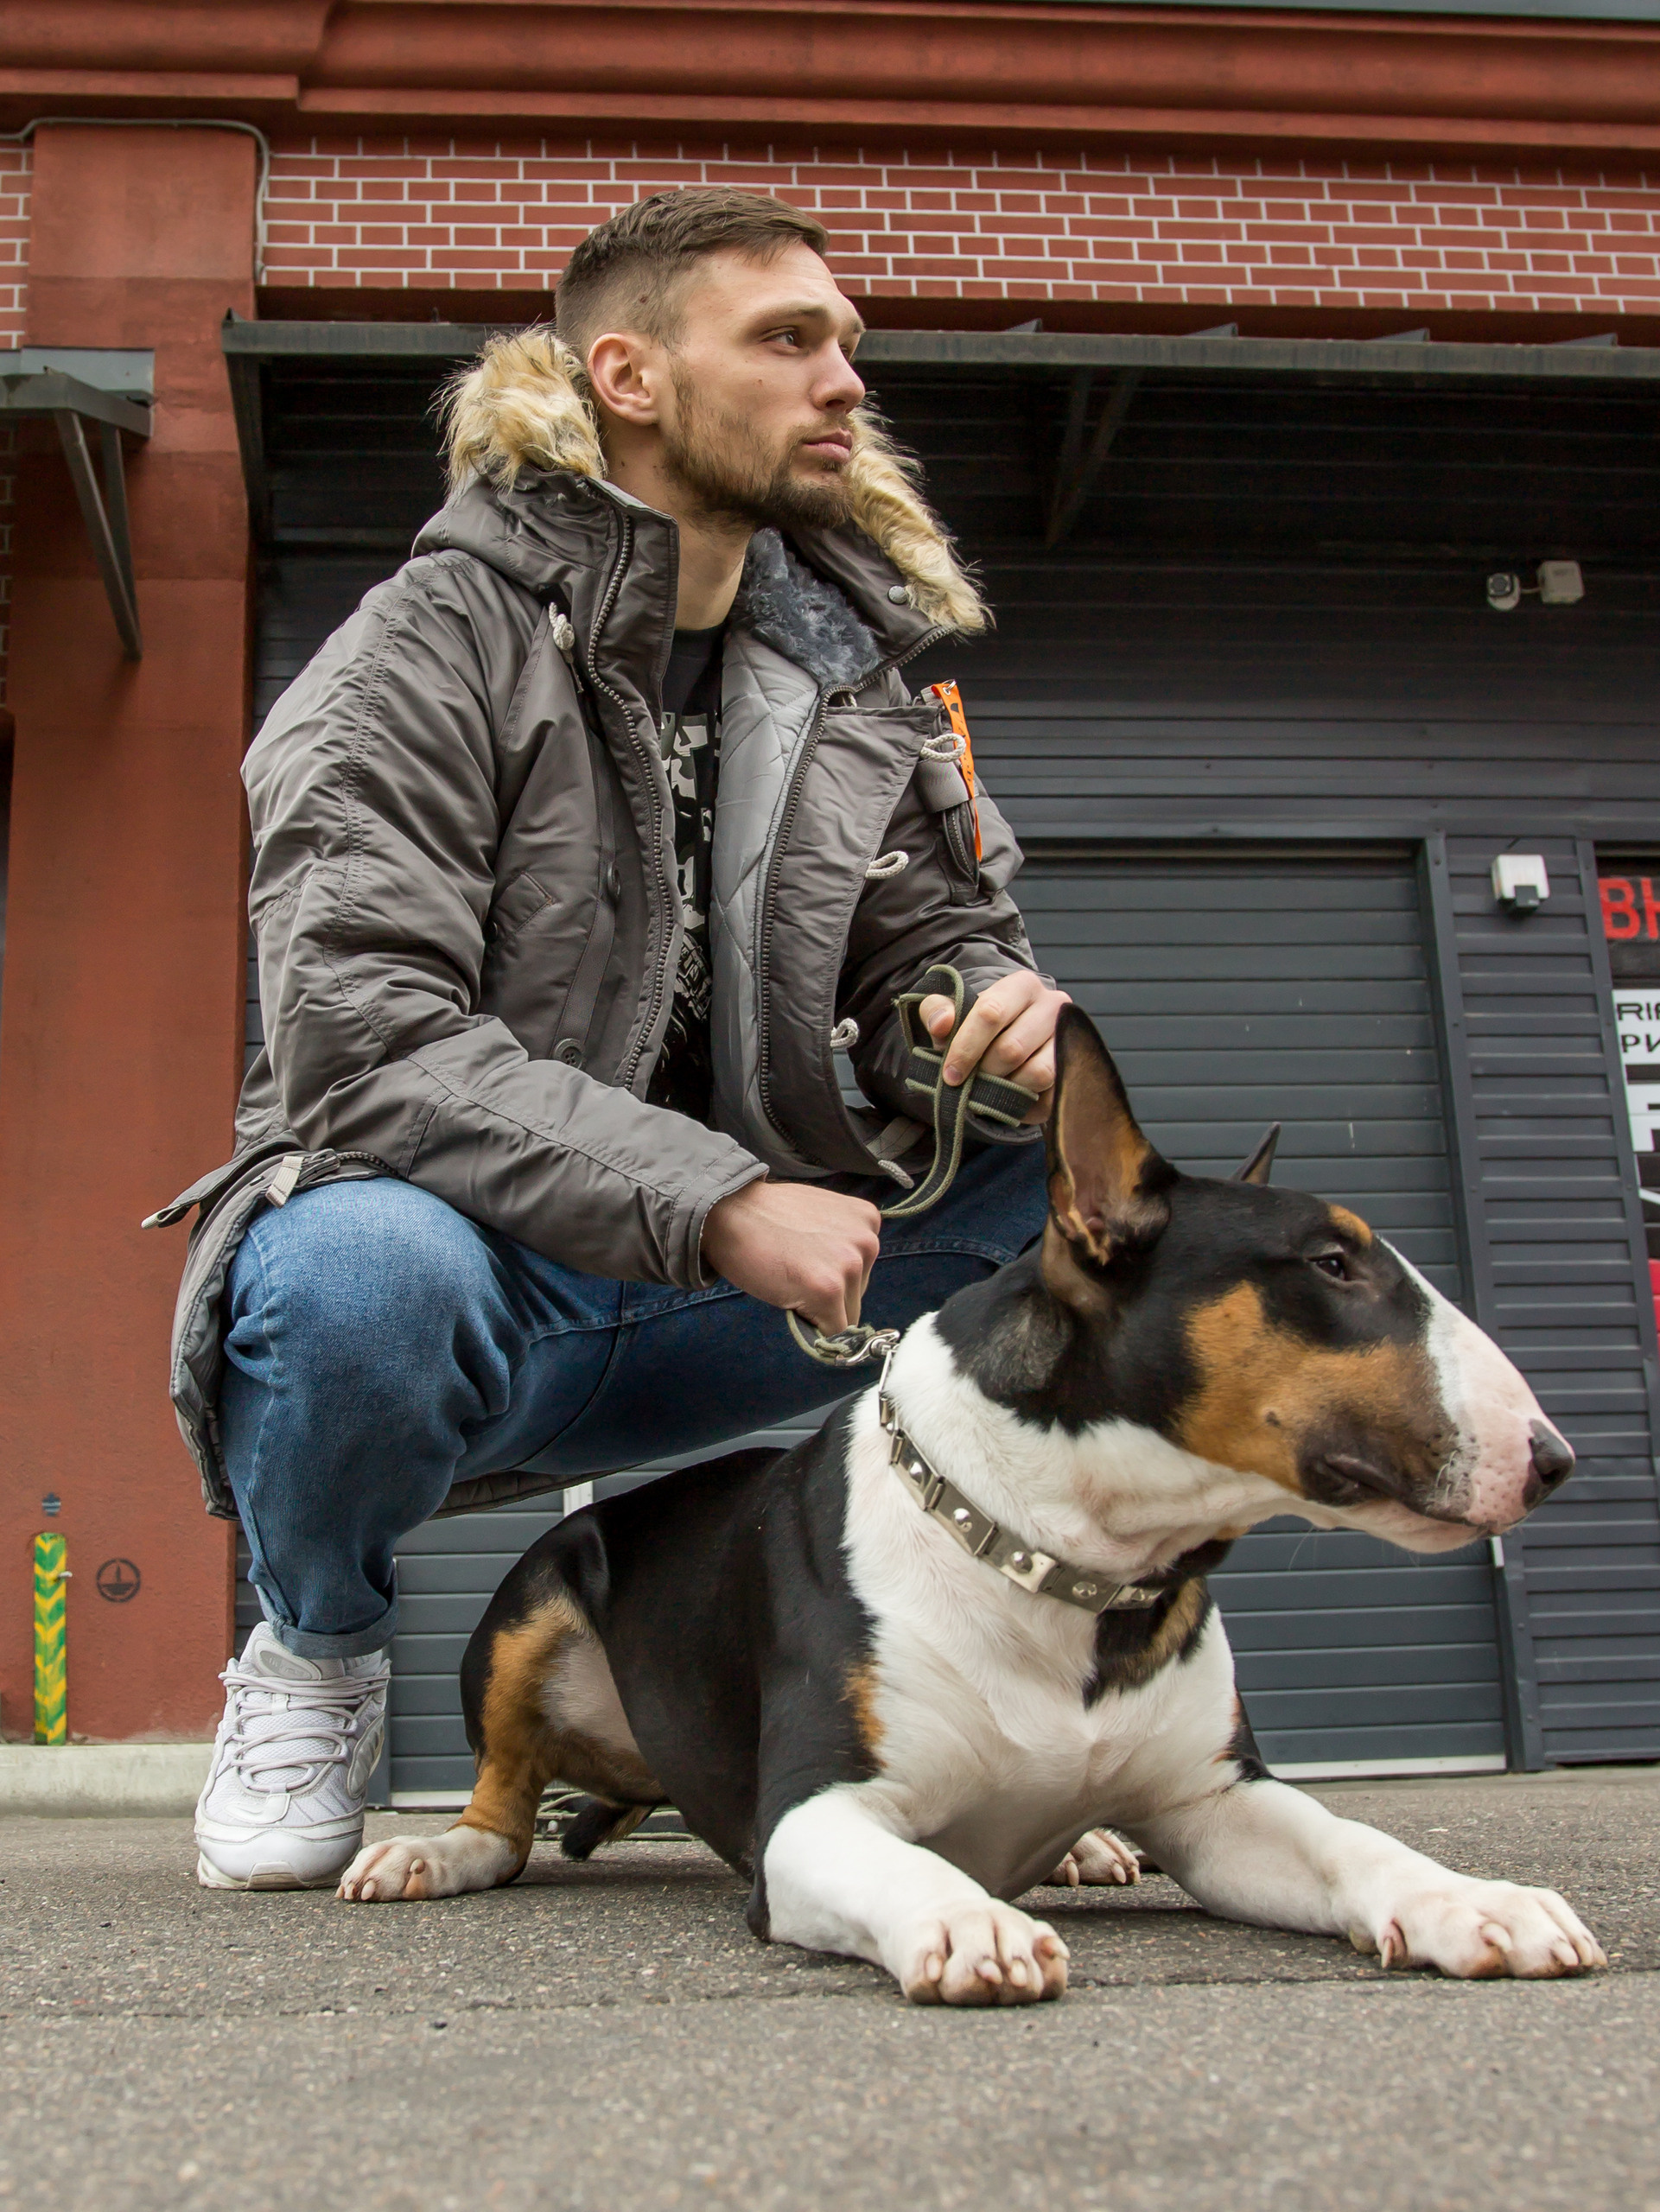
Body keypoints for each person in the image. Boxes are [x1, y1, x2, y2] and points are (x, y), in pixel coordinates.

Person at [162, 188, 1069, 1891]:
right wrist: (717, 1200)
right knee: (345, 1273)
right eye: (785, 340)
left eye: (846, 344)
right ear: (630, 378)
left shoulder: (845, 665)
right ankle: (313, 1652)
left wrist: (983, 1029)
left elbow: (926, 941)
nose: (843, 382)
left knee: (1081, 1195)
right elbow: (368, 1042)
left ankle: (1008, 1702)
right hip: (480, 1279)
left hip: (748, 1287)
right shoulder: (422, 649)